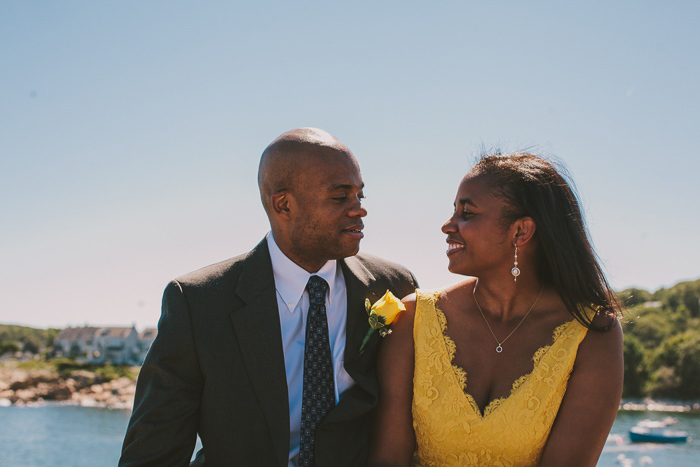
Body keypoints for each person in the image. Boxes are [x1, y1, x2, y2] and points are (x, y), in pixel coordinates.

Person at [119, 128, 418, 466]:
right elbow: (154, 451)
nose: (359, 209)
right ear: (283, 204)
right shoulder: (198, 303)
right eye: (340, 196)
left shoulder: (393, 286)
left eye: (360, 195)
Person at [368, 153, 623, 466]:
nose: (448, 226)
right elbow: (387, 459)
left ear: (520, 232)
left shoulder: (592, 335)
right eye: (454, 211)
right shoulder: (413, 319)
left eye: (467, 213)